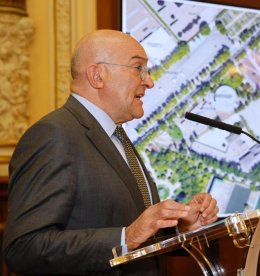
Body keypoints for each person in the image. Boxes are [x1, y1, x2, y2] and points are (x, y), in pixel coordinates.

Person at [2, 29, 219, 275]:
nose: (149, 81)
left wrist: (181, 228)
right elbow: (23, 249)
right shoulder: (54, 135)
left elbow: (132, 229)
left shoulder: (116, 135)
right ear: (97, 75)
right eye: (138, 68)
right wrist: (125, 237)